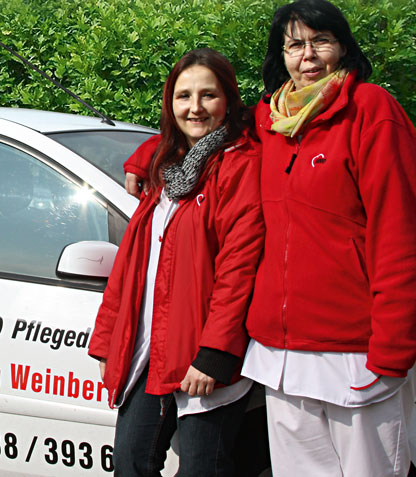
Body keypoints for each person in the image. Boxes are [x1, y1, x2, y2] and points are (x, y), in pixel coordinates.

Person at [239, 1, 416, 476]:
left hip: (358, 349)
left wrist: (395, 345)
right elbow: (203, 136)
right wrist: (146, 161)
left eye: (320, 41)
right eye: (295, 44)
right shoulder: (268, 118)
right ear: (280, 55)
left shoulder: (371, 109)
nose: (309, 56)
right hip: (279, 354)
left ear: (342, 46)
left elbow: (401, 232)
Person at [88, 48, 264, 476]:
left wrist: (216, 352)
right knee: (130, 463)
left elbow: (238, 268)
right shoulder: (166, 168)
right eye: (183, 96)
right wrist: (109, 336)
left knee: (204, 469)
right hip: (149, 351)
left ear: (229, 100)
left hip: (201, 360)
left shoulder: (241, 165)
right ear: (170, 103)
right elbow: (134, 264)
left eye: (208, 95)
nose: (195, 107)